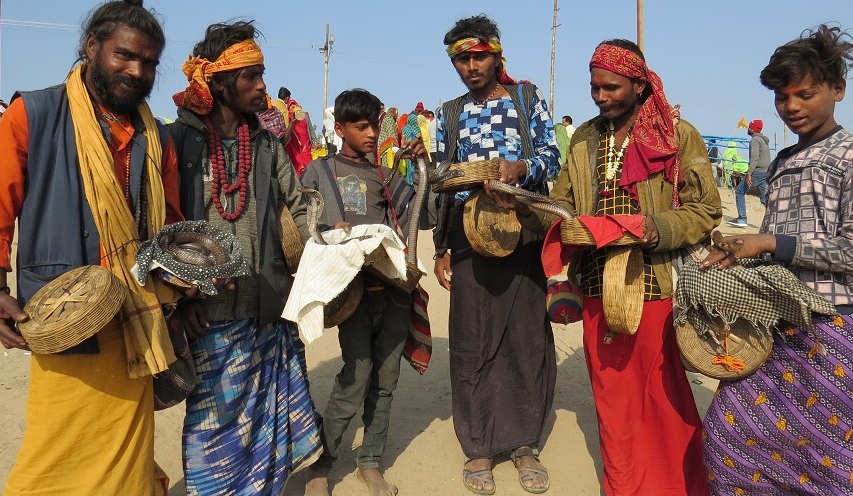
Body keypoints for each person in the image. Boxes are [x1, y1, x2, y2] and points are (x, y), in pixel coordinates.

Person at [700, 25, 853, 495]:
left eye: (805, 93)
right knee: (730, 437)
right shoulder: (782, 161)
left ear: (838, 90)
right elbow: (770, 237)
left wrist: (767, 245)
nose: (793, 107)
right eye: (783, 97)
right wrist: (734, 252)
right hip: (769, 324)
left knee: (833, 455)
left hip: (828, 326)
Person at [0, 1, 182, 493]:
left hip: (136, 314)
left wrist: (185, 274)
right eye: (124, 56)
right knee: (57, 450)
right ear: (92, 48)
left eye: (149, 62)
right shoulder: (34, 113)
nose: (137, 71)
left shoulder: (157, 138)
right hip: (65, 314)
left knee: (127, 449)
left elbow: (169, 221)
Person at [512, 39, 720, 496]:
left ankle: (679, 486)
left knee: (662, 393)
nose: (601, 97)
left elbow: (706, 209)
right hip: (593, 283)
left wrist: (653, 227)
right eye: (594, 88)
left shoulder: (678, 135)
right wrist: (531, 207)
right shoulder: (585, 137)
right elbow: (563, 203)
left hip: (655, 282)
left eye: (611, 87)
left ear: (640, 84)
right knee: (610, 395)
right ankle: (623, 485)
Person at [168, 21, 321, 495]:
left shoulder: (267, 143)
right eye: (250, 77)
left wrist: (325, 242)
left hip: (266, 306)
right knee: (212, 422)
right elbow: (161, 232)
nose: (261, 87)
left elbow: (298, 206)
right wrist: (182, 300)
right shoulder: (177, 142)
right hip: (206, 314)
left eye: (262, 75)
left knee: (265, 418)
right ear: (217, 82)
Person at [419, 14, 560, 495]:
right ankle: (478, 444)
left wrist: (520, 167)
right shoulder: (449, 113)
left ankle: (523, 443)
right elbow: (439, 180)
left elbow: (552, 158)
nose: (471, 66)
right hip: (467, 236)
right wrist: (441, 245)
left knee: (526, 337)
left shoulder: (526, 101)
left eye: (479, 56)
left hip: (522, 234)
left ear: (497, 54)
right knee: (472, 337)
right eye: (462, 58)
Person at [301, 88, 431, 496]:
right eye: (362, 126)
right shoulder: (320, 172)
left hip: (391, 292)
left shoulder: (387, 176)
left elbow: (421, 216)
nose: (373, 133)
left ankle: (370, 462)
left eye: (375, 124)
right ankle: (321, 464)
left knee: (386, 378)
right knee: (355, 377)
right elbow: (299, 219)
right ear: (339, 129)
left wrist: (422, 168)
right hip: (350, 295)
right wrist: (326, 231)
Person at [730, 119, 770, 226]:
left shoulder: (755, 140)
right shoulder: (764, 140)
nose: (747, 128)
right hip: (766, 172)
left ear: (752, 129)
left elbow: (754, 158)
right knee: (764, 198)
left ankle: (742, 219)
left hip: (757, 172)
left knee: (739, 191)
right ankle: (776, 220)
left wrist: (749, 173)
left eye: (749, 127)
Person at [279, 86, 313, 175]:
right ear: (287, 97)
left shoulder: (282, 112)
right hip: (302, 143)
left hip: (294, 143)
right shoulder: (299, 115)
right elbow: (310, 130)